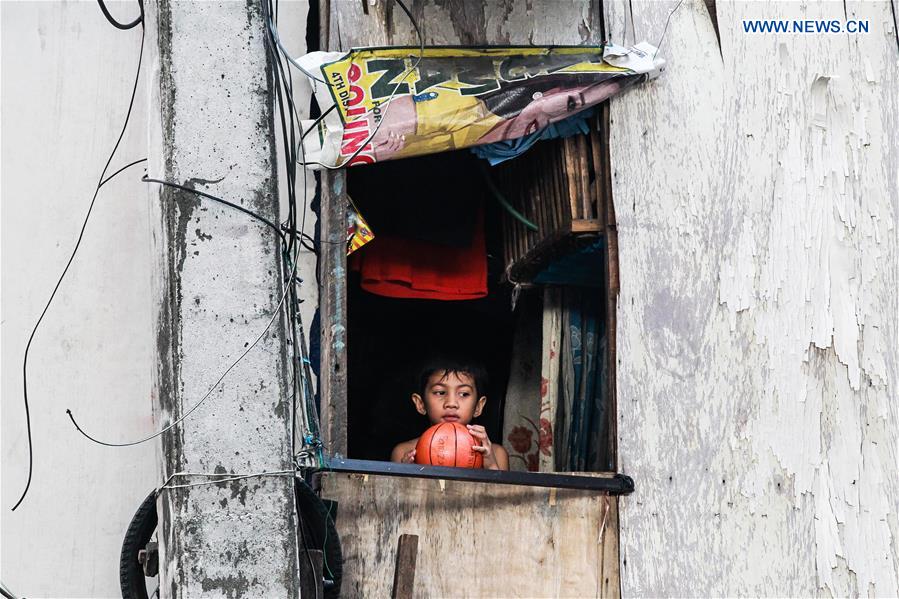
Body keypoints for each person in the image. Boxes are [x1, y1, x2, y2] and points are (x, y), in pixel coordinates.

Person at [390, 359, 509, 470]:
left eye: (464, 394)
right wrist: (408, 473)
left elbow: (501, 487)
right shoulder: (404, 452)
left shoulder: (495, 454)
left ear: (478, 406)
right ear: (420, 404)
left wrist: (491, 466)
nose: (451, 403)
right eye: (440, 392)